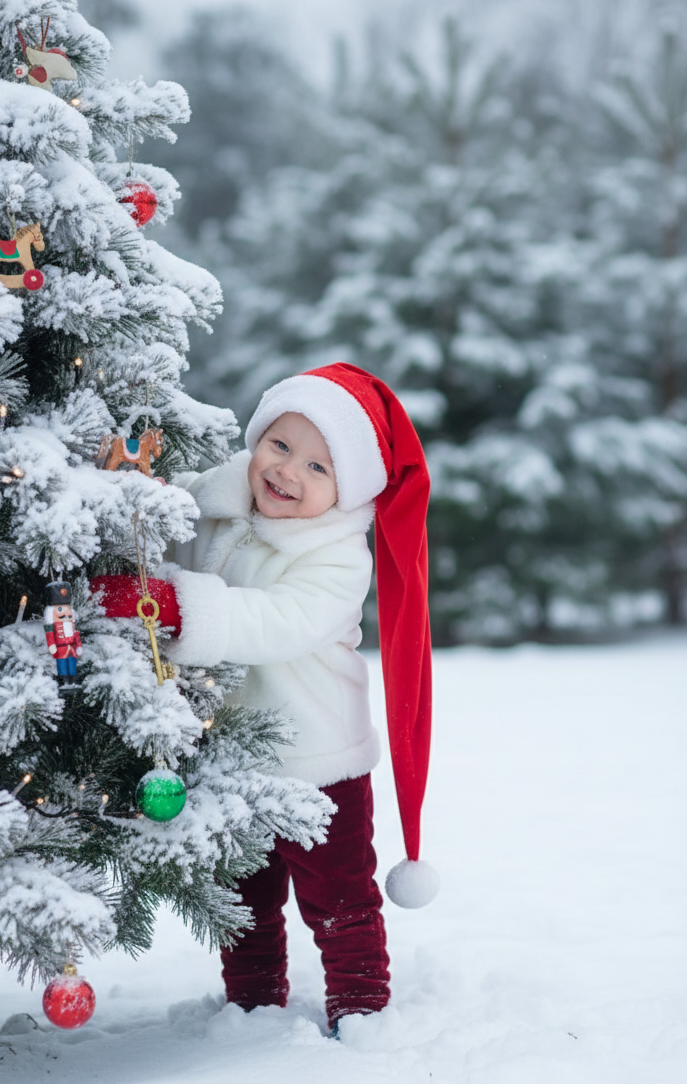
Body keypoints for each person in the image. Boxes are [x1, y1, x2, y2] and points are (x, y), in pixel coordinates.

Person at [104, 363, 439, 1029]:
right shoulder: (215, 503)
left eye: (318, 468)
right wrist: (133, 497)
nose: (287, 472)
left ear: (348, 490)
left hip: (317, 759)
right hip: (227, 750)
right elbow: (158, 533)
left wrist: (173, 605)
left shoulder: (339, 555)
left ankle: (361, 1004)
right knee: (243, 897)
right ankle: (251, 1004)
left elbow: (278, 621)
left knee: (338, 896)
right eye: (280, 445)